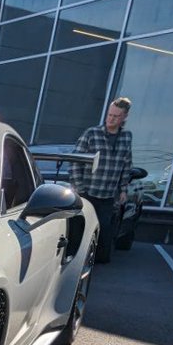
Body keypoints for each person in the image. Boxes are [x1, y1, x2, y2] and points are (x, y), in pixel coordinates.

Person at [72, 97, 134, 261]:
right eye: (109, 115)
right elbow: (76, 160)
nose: (111, 119)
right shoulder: (92, 134)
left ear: (124, 118)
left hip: (108, 195)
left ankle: (96, 261)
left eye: (115, 116)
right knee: (81, 227)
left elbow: (126, 165)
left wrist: (123, 190)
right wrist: (79, 188)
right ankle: (75, 257)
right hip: (87, 192)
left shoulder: (126, 137)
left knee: (104, 229)